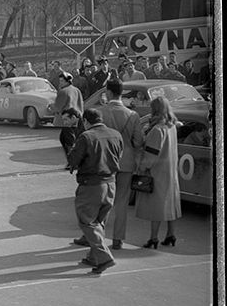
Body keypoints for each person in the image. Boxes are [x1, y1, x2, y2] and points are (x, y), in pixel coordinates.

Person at [66, 108, 123, 275]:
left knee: (87, 222)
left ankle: (104, 258)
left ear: (86, 121)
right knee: (99, 221)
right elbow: (119, 155)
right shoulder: (116, 134)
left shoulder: (86, 137)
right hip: (111, 183)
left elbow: (73, 160)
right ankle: (94, 255)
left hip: (91, 185)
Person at [97, 78, 144, 250]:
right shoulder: (132, 115)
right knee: (122, 202)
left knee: (103, 200)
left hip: (105, 162)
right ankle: (118, 239)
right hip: (126, 161)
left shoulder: (100, 112)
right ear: (121, 93)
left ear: (109, 92)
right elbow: (139, 141)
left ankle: (98, 236)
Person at [135, 96, 182, 249]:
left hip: (157, 173)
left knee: (157, 207)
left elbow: (151, 155)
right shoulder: (172, 126)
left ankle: (153, 238)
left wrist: (141, 167)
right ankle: (171, 234)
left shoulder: (157, 130)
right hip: (170, 171)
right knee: (171, 205)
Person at [49, 72, 84, 158]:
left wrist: (50, 107)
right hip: (77, 118)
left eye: (61, 81)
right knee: (68, 138)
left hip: (67, 119)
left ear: (67, 81)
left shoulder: (63, 91)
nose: (60, 83)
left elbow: (58, 107)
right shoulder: (76, 90)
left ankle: (73, 160)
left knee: (67, 141)